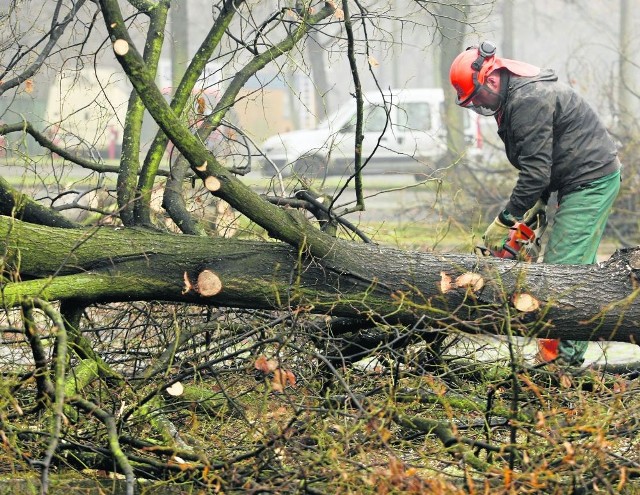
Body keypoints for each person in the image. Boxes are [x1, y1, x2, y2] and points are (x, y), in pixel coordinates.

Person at [449, 41, 621, 366]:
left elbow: (536, 172)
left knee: (563, 269)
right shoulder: (515, 96)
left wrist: (505, 219)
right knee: (559, 259)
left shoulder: (529, 99)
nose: (479, 106)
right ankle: (555, 352)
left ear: (492, 79)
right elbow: (543, 155)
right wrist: (535, 208)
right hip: (567, 178)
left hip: (591, 179)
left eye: (478, 98)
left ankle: (564, 362)